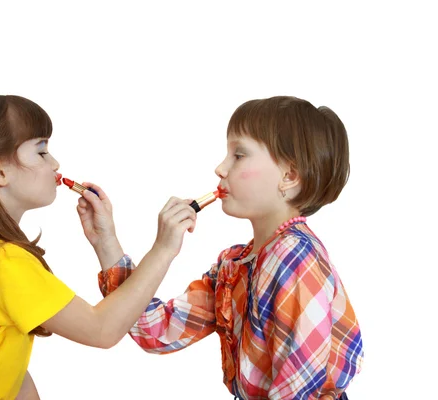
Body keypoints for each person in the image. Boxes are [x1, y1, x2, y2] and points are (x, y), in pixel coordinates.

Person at [0, 93, 197, 399]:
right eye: (41, 151)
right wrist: (163, 249)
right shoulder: (2, 261)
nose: (55, 163)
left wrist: (105, 240)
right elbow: (102, 329)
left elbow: (7, 369)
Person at [97, 96, 363, 399]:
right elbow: (156, 331)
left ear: (289, 176)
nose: (220, 168)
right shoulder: (235, 266)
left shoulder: (295, 258)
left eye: (239, 155)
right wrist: (108, 242)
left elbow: (297, 390)